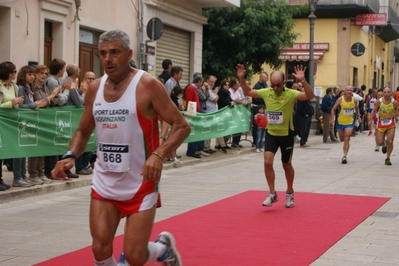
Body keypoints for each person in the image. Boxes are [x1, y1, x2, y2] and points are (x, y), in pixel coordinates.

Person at [52, 29, 189, 266]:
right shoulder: (95, 88)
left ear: (128, 54)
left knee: (134, 256)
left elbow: (181, 125)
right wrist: (70, 155)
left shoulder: (147, 85)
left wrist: (158, 154)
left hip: (140, 181)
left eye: (114, 52)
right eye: (103, 53)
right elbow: (84, 130)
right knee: (99, 247)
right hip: (104, 180)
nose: (107, 59)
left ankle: (163, 248)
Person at [236, 64, 314, 208]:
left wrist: (303, 81)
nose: (276, 88)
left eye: (278, 85)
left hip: (287, 135)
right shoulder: (267, 92)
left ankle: (290, 192)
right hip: (271, 133)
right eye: (273, 85)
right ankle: (272, 193)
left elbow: (309, 96)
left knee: (286, 165)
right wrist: (241, 78)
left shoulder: (291, 93)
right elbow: (248, 91)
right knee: (267, 163)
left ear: (284, 83)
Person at [16, 65, 48, 186]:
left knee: (27, 148)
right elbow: (21, 106)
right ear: (23, 75)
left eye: (33, 74)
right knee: (21, 149)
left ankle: (23, 175)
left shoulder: (29, 88)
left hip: (31, 121)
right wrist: (35, 105)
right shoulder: (20, 88)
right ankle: (19, 176)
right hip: (22, 121)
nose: (32, 76)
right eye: (30, 74)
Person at [30, 64, 61, 184]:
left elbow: (52, 103)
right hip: (35, 120)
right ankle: (33, 174)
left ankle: (40, 172)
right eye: (41, 73)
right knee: (35, 148)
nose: (43, 75)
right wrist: (52, 95)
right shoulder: (34, 87)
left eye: (45, 74)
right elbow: (42, 102)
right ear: (36, 74)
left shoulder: (45, 87)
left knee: (42, 148)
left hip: (44, 121)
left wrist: (56, 95)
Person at [0, 61, 22, 189]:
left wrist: (17, 102)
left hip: (9, 123)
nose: (15, 73)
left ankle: (1, 179)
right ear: (9, 73)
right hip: (1, 122)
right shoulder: (0, 86)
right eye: (14, 71)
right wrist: (11, 103)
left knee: (5, 151)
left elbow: (15, 104)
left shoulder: (14, 86)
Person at [330, 85, 361, 164]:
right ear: (345, 91)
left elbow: (357, 109)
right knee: (342, 139)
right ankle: (345, 149)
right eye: (348, 90)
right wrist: (332, 119)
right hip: (340, 122)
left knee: (347, 138)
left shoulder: (354, 101)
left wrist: (358, 116)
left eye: (351, 90)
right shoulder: (340, 99)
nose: (349, 92)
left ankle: (344, 156)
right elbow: (333, 109)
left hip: (350, 122)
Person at [369, 87, 399, 165]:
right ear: (382, 93)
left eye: (388, 92)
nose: (386, 94)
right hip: (381, 124)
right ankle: (384, 143)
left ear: (391, 93)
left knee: (390, 141)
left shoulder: (394, 102)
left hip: (391, 124)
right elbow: (374, 111)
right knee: (379, 143)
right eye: (385, 92)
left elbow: (397, 111)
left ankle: (388, 158)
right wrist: (370, 120)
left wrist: (396, 114)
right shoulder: (378, 102)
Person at [251, 72, 268, 147]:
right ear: (260, 77)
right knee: (256, 125)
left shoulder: (265, 85)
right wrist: (264, 99)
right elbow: (256, 98)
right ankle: (255, 141)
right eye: (265, 78)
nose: (266, 79)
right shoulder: (257, 86)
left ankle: (262, 140)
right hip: (257, 108)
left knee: (263, 125)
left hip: (264, 108)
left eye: (267, 78)